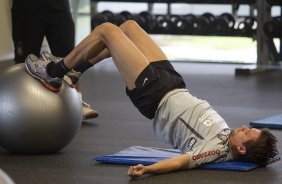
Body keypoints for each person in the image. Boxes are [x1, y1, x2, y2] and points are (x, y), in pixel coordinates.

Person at [24, 20, 278, 177]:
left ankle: (53, 72)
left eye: (248, 132)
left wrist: (148, 170)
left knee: (107, 31)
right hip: (174, 82)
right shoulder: (234, 139)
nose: (244, 127)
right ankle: (77, 68)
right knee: (129, 27)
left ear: (241, 148)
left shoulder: (214, 151)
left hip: (154, 95)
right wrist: (265, 151)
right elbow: (266, 154)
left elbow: (181, 162)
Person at [11, 0, 97, 120]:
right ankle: (18, 104)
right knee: (25, 59)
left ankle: (77, 101)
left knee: (69, 56)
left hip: (59, 5)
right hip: (27, 6)